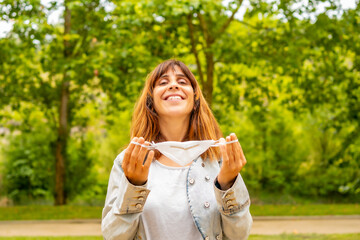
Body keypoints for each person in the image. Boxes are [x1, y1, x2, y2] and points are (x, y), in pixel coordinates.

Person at [101, 59, 252, 240]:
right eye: (163, 82)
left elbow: (239, 236)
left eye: (182, 82)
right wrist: (134, 185)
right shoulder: (129, 161)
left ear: (195, 99)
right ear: (151, 100)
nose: (173, 85)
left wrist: (228, 184)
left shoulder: (219, 159)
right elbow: (113, 236)